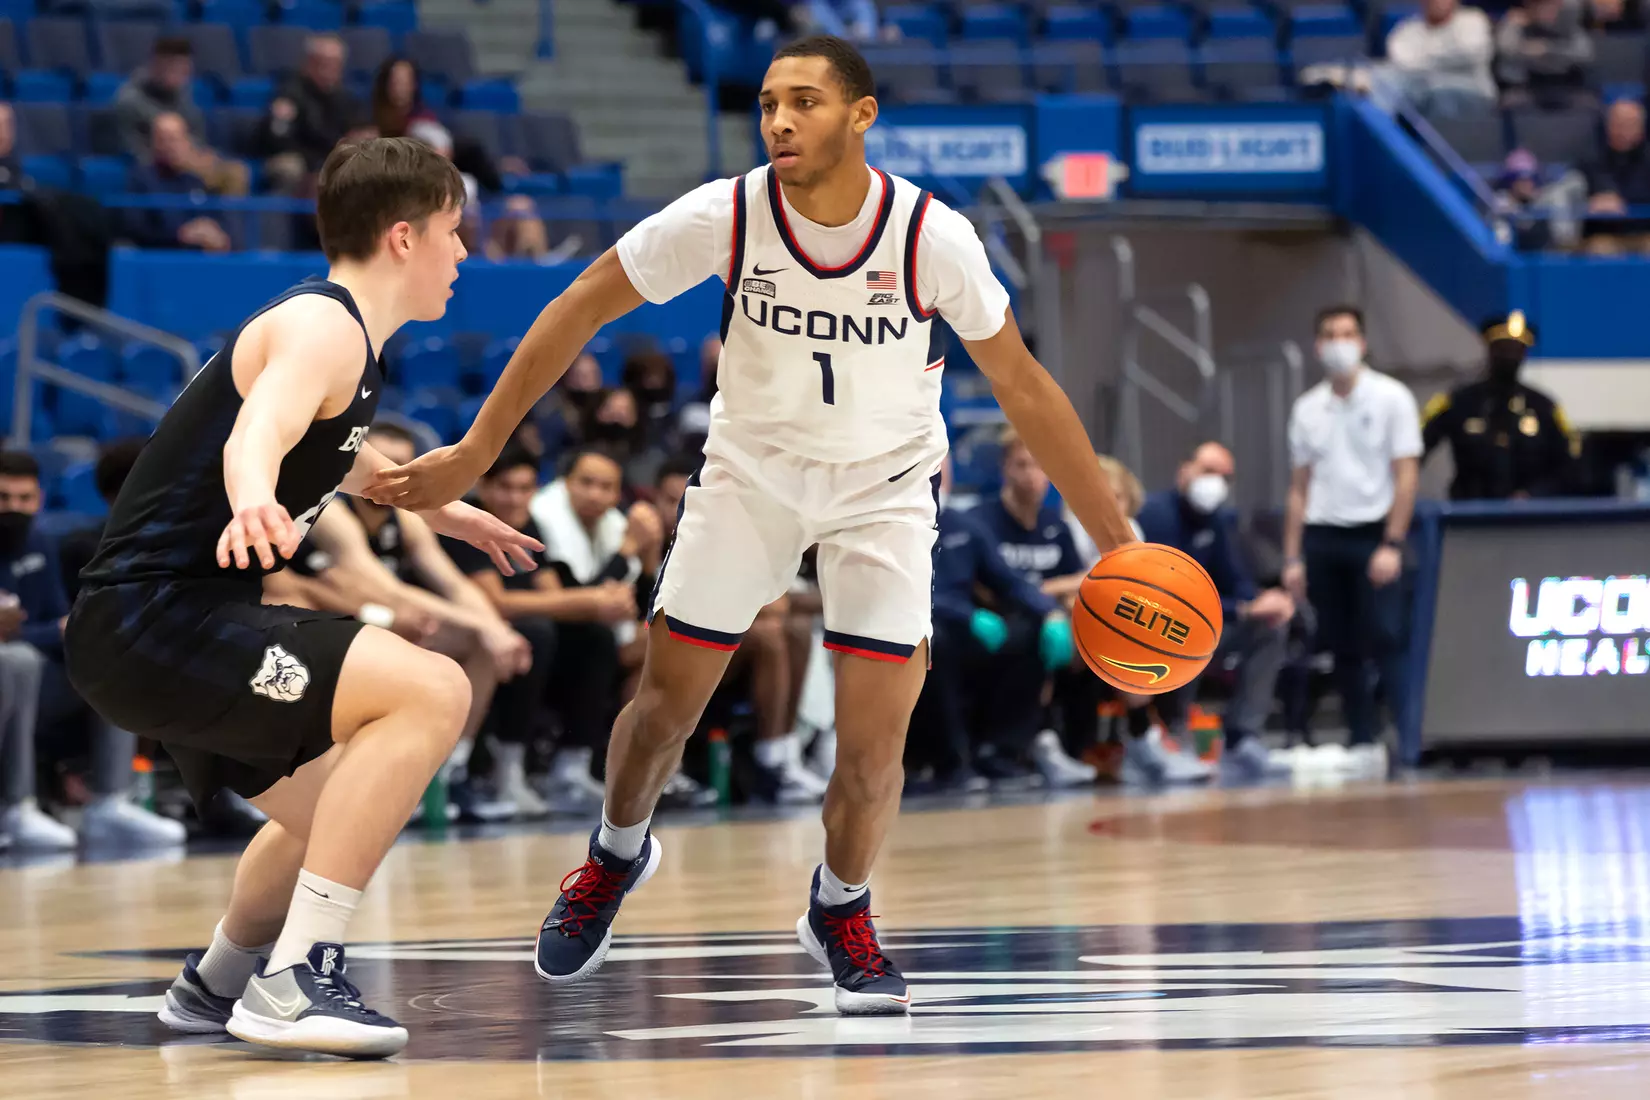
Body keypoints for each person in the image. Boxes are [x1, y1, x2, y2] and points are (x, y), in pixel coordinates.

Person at [367, 35, 1137, 1015]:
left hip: (886, 490)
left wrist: (1118, 537)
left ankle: (843, 904)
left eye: (806, 102)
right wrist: (477, 451)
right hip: (750, 477)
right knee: (662, 715)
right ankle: (614, 851)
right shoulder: (726, 214)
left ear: (861, 117)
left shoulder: (929, 236)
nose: (779, 120)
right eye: (770, 102)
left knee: (871, 747)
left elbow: (1022, 385)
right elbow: (577, 307)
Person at [63, 137, 540, 1058]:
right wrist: (250, 500)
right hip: (155, 618)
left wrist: (446, 509)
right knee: (432, 688)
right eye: (453, 232)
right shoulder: (323, 329)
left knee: (341, 817)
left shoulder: (347, 343)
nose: (464, 254)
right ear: (403, 237)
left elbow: (342, 454)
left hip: (160, 628)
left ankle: (216, 985)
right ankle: (298, 976)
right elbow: (265, 430)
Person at [0, 451, 187, 849]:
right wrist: (46, 631)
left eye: (24, 499)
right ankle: (14, 806)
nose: (14, 509)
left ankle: (110, 803)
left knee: (110, 650)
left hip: (34, 679)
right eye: (4, 499)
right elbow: (53, 627)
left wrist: (46, 631)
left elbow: (60, 622)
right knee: (16, 660)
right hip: (13, 674)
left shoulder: (40, 542)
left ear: (40, 500)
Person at [444, 445, 646, 811]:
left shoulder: (527, 524)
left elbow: (552, 592)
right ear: (483, 488)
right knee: (536, 632)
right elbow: (497, 603)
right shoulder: (467, 523)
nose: (516, 498)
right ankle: (504, 773)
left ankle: (571, 767)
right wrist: (590, 601)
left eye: (525, 489)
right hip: (473, 633)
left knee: (594, 638)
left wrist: (597, 603)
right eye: (506, 488)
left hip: (529, 646)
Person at [1282, 305, 1421, 780]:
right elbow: (1299, 487)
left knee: (1387, 637)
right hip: (1324, 536)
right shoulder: (1307, 408)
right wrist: (1292, 555)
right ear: (1318, 346)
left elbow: (1405, 476)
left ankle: (1408, 736)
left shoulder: (1391, 398)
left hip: (1373, 533)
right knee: (1341, 644)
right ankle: (1362, 737)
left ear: (1362, 342)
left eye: (1348, 333)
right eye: (1330, 335)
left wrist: (1393, 542)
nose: (1339, 343)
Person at [653, 452, 824, 803]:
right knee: (769, 633)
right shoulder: (643, 541)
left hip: (713, 645)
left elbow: (775, 603)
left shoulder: (717, 534)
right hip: (652, 647)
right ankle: (662, 775)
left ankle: (778, 755)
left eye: (684, 499)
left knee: (792, 630)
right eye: (670, 500)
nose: (677, 509)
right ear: (653, 499)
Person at [1136, 442, 1295, 782]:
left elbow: (1233, 576)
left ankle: (1241, 738)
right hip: (1159, 626)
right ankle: (1175, 734)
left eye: (1225, 477)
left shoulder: (1217, 521)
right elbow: (1168, 592)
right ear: (1184, 471)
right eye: (1209, 472)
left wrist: (1262, 601)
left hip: (1210, 620)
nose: (1216, 483)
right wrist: (1241, 608)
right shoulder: (1156, 515)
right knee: (1190, 632)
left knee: (1271, 627)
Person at [914, 455, 1068, 792]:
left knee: (1030, 635)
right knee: (933, 642)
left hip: (966, 630)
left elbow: (1008, 580)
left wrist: (1050, 612)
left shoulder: (963, 526)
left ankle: (1000, 753)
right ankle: (948, 763)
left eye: (943, 465)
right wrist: (967, 614)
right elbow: (909, 589)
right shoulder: (899, 527)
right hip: (927, 625)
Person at [1421, 312, 1579, 500]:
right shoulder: (1459, 402)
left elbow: (1570, 464)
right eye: (1503, 349)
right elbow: (1414, 447)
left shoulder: (1543, 407)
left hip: (1530, 517)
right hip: (1469, 514)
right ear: (1490, 350)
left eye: (1517, 350)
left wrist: (1535, 494)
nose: (1510, 356)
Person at [259, 34, 365, 194]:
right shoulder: (290, 93)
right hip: (299, 158)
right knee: (290, 167)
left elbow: (356, 128)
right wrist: (317, 159)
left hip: (331, 157)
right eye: (324, 63)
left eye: (336, 64)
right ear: (309, 63)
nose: (331, 70)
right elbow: (278, 139)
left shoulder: (345, 98)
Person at [126, 112, 235, 253]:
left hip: (198, 260)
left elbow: (221, 221)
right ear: (154, 143)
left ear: (187, 142)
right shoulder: (140, 180)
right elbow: (136, 229)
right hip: (158, 260)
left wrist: (215, 233)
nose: (171, 146)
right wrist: (181, 235)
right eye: (164, 140)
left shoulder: (195, 181)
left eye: (176, 139)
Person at [1385, 0, 1497, 119]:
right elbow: (1401, 63)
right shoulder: (1406, 29)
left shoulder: (1473, 20)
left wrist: (1423, 58)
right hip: (1419, 91)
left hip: (1473, 93)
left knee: (1430, 92)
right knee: (1391, 83)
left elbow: (1470, 54)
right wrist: (1440, 57)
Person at [114, 35, 209, 160]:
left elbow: (198, 142)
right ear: (155, 65)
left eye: (184, 69)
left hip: (183, 169)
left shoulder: (185, 98)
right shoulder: (129, 102)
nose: (179, 74)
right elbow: (134, 152)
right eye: (172, 67)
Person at [1494, 0, 1594, 108]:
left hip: (1565, 87)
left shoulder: (1567, 26)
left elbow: (1585, 54)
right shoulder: (1518, 24)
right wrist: (1512, 27)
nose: (1548, 11)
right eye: (1542, 6)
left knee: (1590, 104)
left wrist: (1547, 49)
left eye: (1552, 6)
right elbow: (1506, 50)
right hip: (1527, 87)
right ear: (1531, 7)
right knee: (1509, 102)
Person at [1582, 99, 1650, 254]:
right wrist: (1594, 200)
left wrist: (1622, 200)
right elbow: (1578, 190)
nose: (1622, 130)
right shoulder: (1591, 159)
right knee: (1601, 249)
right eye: (1618, 123)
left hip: (1644, 232)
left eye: (1629, 124)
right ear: (1608, 126)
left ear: (1641, 129)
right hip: (1605, 234)